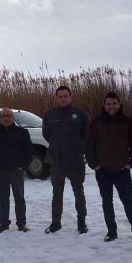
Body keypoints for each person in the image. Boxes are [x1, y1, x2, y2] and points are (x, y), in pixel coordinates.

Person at [85, 92, 132, 243]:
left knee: (129, 202)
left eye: (114, 103)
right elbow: (88, 145)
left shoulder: (127, 121)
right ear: (104, 105)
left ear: (119, 104)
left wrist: (131, 162)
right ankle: (111, 232)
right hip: (103, 171)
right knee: (107, 202)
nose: (111, 106)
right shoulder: (96, 122)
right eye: (108, 104)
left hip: (122, 171)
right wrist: (94, 165)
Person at [43, 85, 89, 234]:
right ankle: (56, 223)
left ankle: (82, 223)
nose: (63, 99)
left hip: (75, 161)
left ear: (71, 97)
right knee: (57, 194)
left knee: (79, 192)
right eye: (60, 96)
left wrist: (79, 150)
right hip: (56, 161)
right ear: (56, 98)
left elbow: (87, 135)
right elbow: (46, 135)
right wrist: (57, 147)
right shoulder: (49, 114)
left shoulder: (80, 114)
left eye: (65, 96)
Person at [0, 108, 33, 233]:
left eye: (9, 115)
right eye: (4, 116)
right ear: (0, 118)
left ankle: (21, 224)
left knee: (19, 198)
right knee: (3, 198)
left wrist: (23, 166)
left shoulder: (22, 132)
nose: (7, 118)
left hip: (17, 171)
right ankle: (4, 223)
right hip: (1, 171)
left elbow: (28, 151)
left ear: (12, 117)